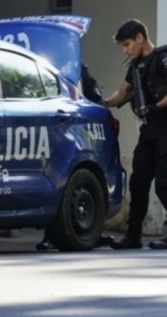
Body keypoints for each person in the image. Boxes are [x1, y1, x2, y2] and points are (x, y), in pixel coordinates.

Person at [103, 19, 167, 250]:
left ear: (140, 37)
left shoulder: (163, 59)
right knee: (138, 182)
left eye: (128, 44)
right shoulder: (136, 65)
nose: (126, 49)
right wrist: (100, 102)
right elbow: (122, 93)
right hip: (150, 130)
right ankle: (133, 236)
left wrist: (158, 106)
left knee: (164, 184)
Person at [36, 63, 113, 251]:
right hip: (63, 133)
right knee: (62, 182)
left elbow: (96, 101)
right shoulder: (56, 70)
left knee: (79, 182)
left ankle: (78, 233)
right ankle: (52, 235)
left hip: (79, 132)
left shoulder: (78, 73)